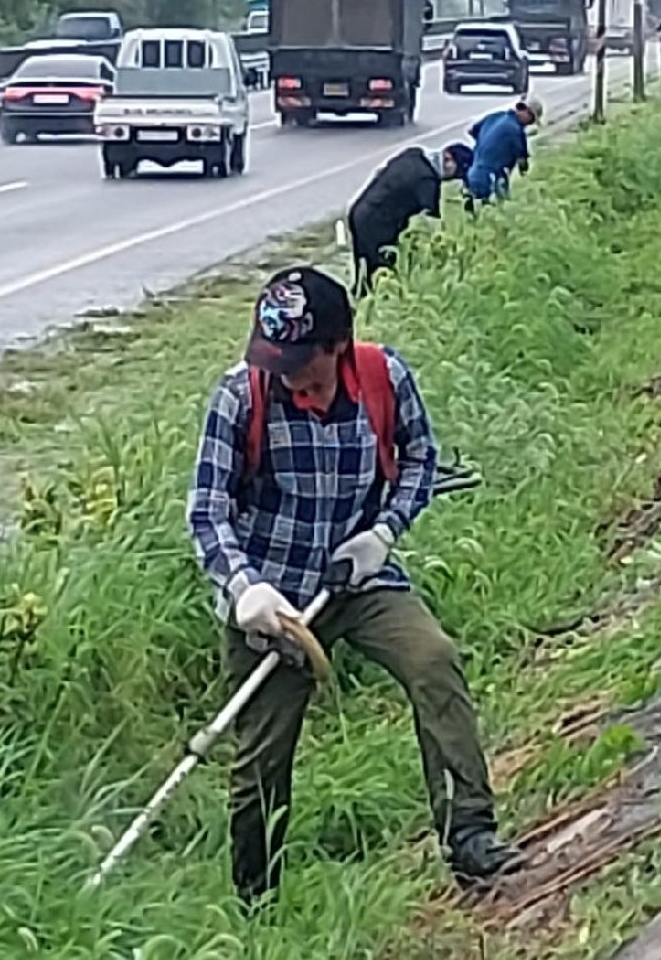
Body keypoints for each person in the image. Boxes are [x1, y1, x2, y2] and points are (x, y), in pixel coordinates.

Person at [187, 267, 520, 906]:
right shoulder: (240, 397)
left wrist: (384, 534)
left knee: (434, 661)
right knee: (261, 755)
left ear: (338, 344)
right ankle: (255, 899)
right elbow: (207, 510)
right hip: (272, 601)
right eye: (274, 360)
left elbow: (420, 458)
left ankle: (470, 835)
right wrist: (242, 588)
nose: (287, 375)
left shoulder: (382, 379)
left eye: (300, 361)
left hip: (357, 579)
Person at [348, 142, 474, 292]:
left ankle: (358, 302)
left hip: (359, 211)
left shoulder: (414, 154)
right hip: (378, 225)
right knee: (382, 276)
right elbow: (433, 223)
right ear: (447, 158)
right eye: (456, 172)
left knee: (364, 270)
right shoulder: (427, 182)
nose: (452, 179)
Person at [465, 98, 543, 204]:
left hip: (470, 172)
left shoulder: (496, 116)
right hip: (490, 178)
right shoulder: (516, 131)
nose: (528, 125)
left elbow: (472, 130)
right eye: (531, 121)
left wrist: (486, 143)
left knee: (472, 208)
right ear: (528, 114)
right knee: (499, 209)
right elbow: (522, 162)